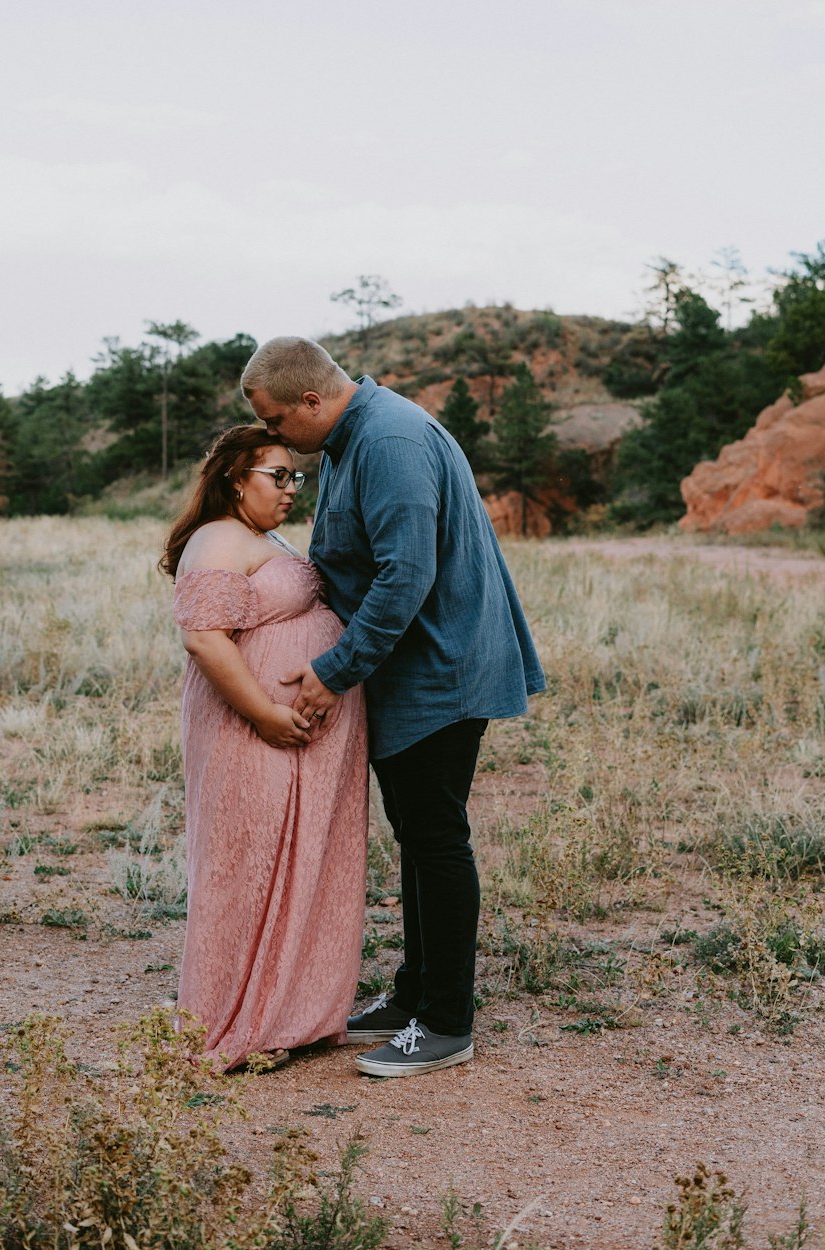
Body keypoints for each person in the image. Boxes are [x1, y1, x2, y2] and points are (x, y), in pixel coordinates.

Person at [241, 337, 546, 1078]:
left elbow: (406, 576)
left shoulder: (391, 440)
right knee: (414, 831)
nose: (275, 437)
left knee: (436, 837)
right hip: (412, 674)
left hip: (440, 672)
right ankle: (414, 996)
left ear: (313, 400)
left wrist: (332, 672)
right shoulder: (350, 440)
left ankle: (446, 1024)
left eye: (279, 421)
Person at [160, 425, 369, 1073]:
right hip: (251, 730)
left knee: (296, 859)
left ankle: (289, 1011)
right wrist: (268, 716)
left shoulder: (258, 538)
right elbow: (205, 640)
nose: (289, 489)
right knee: (247, 863)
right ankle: (235, 1016)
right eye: (275, 476)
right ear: (233, 477)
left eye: (294, 477)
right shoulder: (219, 537)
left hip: (292, 733)